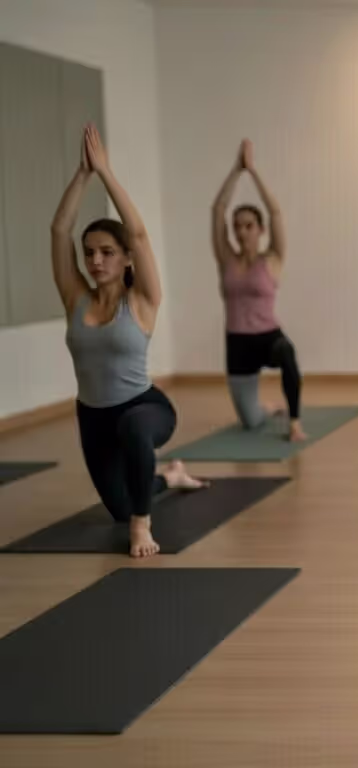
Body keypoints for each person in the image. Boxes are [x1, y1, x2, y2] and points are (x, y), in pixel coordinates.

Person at [52, 125, 205, 558]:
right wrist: (81, 176)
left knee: (135, 434)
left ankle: (143, 525)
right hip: (94, 418)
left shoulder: (142, 300)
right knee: (118, 506)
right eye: (89, 253)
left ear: (124, 259)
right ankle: (167, 479)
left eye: (106, 251)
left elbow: (138, 234)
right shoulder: (75, 298)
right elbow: (58, 232)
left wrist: (105, 172)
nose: (95, 260)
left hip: (144, 408)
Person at [211, 139, 306, 442]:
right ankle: (267, 408)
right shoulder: (226, 259)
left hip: (268, 337)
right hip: (237, 342)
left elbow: (275, 212)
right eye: (237, 226)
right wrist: (236, 171)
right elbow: (217, 211)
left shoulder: (272, 259)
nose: (241, 231)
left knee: (287, 353)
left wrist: (254, 172)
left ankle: (294, 422)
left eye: (249, 225)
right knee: (251, 421)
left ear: (260, 230)